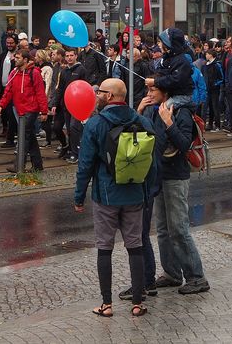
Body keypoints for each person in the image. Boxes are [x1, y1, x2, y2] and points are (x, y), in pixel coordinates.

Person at [73, 78, 155, 318]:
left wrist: (79, 197)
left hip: (106, 195)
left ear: (109, 97)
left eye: (100, 92)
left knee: (104, 248)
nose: (96, 95)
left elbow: (85, 164)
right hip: (135, 194)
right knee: (135, 247)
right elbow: (151, 163)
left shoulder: (96, 124)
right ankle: (138, 303)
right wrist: (147, 192)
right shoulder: (142, 121)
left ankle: (107, 305)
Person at [139, 84, 211, 295]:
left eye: (153, 90)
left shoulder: (182, 112)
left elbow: (183, 144)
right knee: (162, 228)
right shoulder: (153, 110)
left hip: (176, 176)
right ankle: (172, 273)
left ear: (166, 92)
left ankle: (197, 277)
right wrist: (139, 112)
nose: (149, 94)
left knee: (178, 228)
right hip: (159, 173)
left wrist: (169, 123)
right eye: (148, 91)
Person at [0, 49, 49, 172]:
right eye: (15, 57)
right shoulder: (15, 73)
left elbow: (40, 93)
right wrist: (1, 105)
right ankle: (37, 165)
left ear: (25, 60)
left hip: (31, 109)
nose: (15, 59)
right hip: (20, 109)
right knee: (29, 137)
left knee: (24, 135)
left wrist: (44, 111)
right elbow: (8, 90)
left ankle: (19, 165)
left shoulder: (34, 73)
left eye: (18, 58)